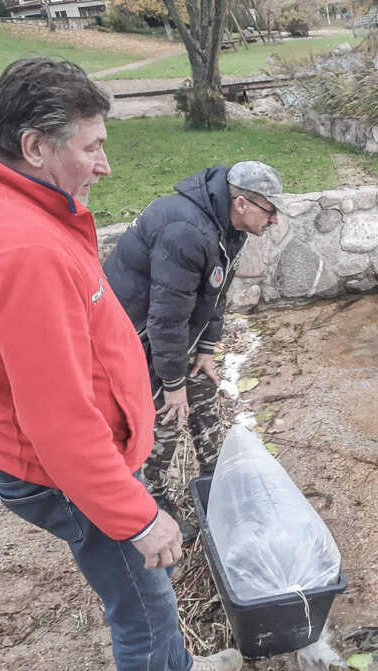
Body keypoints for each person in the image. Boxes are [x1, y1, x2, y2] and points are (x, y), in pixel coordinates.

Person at [0, 57, 247, 671]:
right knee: (142, 600)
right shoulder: (23, 250)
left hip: (77, 458)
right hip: (65, 471)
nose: (104, 166)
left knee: (148, 587)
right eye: (91, 146)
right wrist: (137, 516)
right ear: (35, 147)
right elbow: (59, 423)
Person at [102, 160, 283, 541]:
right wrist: (171, 382)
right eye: (271, 210)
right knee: (169, 410)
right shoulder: (186, 231)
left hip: (165, 329)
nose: (275, 221)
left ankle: (212, 473)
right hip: (128, 334)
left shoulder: (229, 228)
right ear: (243, 203)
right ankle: (149, 497)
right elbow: (164, 318)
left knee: (201, 385)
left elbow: (214, 294)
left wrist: (206, 349)